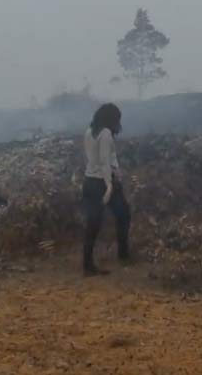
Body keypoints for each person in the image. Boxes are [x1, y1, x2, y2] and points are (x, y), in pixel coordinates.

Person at [81, 103, 131, 276]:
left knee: (93, 224)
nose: (118, 123)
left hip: (89, 181)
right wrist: (109, 185)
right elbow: (104, 161)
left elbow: (93, 158)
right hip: (102, 183)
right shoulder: (106, 134)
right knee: (123, 214)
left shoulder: (89, 131)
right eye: (117, 119)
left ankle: (87, 265)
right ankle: (123, 255)